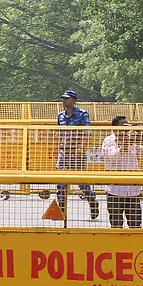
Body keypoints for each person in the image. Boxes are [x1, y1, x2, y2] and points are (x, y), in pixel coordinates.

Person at [55, 90, 100, 220]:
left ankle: (92, 202)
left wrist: (82, 146)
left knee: (81, 182)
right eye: (63, 98)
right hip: (64, 152)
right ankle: (62, 210)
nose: (64, 101)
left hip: (77, 152)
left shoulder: (82, 114)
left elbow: (88, 131)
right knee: (60, 182)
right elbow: (58, 132)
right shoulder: (61, 116)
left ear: (74, 100)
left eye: (67, 99)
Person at [102, 120, 143, 228]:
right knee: (116, 224)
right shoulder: (108, 141)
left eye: (127, 126)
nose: (127, 128)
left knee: (135, 224)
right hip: (115, 189)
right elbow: (111, 157)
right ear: (115, 128)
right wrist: (124, 145)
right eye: (123, 125)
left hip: (133, 189)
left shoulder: (133, 141)